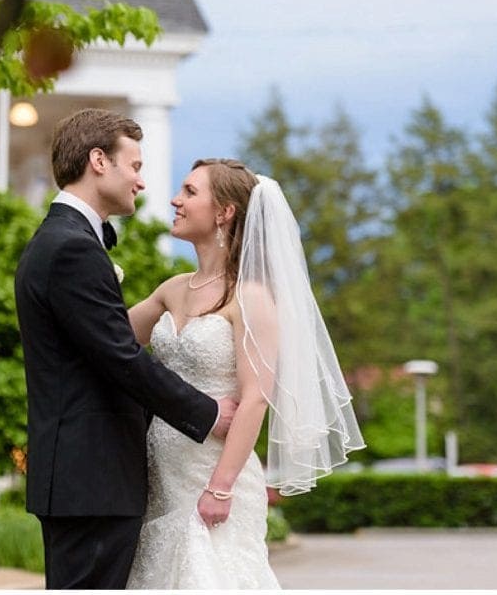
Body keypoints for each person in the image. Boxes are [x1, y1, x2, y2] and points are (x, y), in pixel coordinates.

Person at [14, 109, 239, 590]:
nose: (140, 181)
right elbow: (120, 357)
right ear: (99, 161)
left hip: (88, 481)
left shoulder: (65, 241)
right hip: (91, 482)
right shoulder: (71, 248)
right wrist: (205, 411)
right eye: (134, 165)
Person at [125, 158, 366, 589]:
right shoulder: (172, 288)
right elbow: (112, 341)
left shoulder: (250, 297)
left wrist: (220, 487)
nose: (175, 201)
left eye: (190, 192)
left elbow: (256, 397)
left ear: (224, 212)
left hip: (212, 476)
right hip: (161, 478)